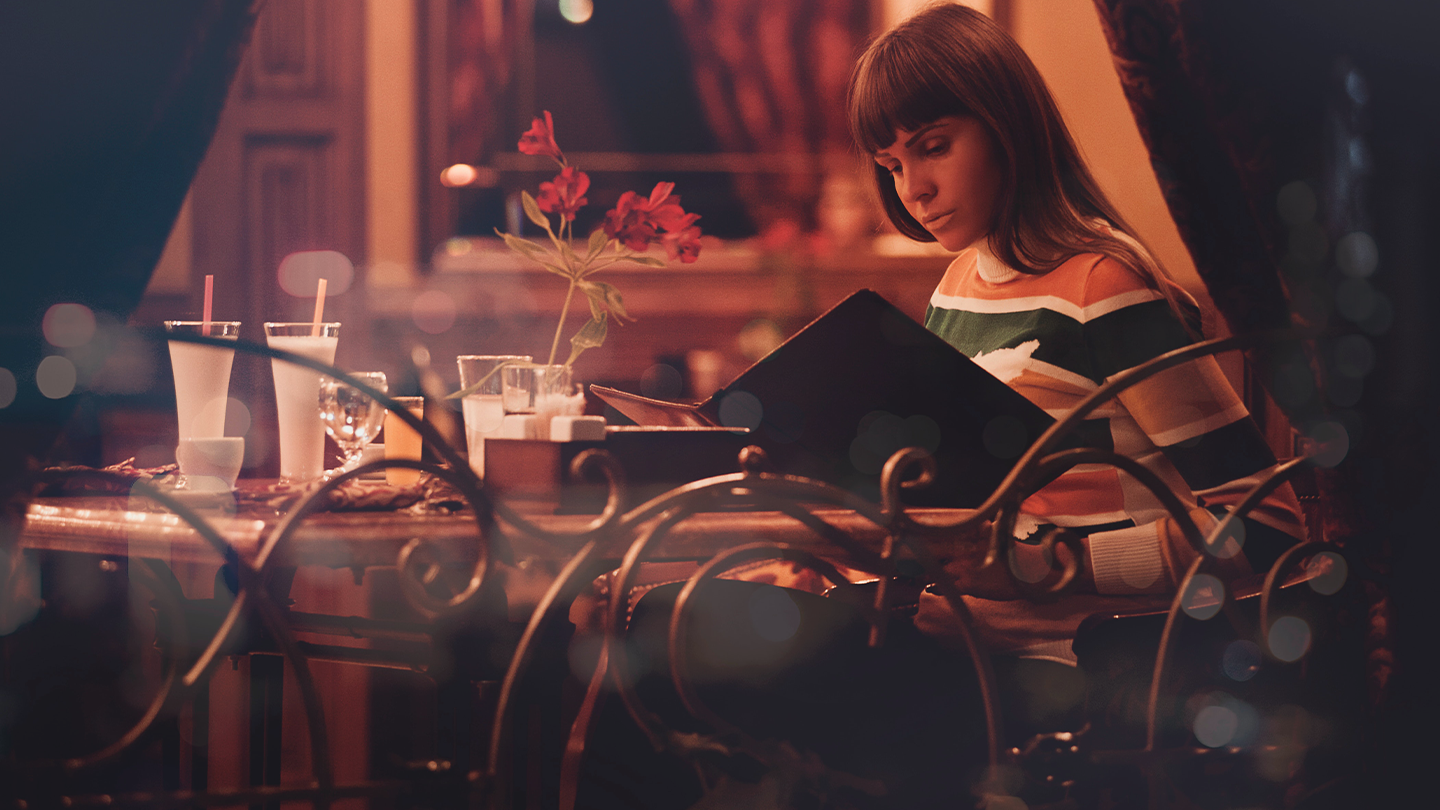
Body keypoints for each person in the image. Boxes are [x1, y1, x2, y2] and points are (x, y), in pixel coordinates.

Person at [848, 1, 1306, 667]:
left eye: (934, 147)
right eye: (891, 164)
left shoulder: (1102, 286)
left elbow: (1265, 524)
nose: (913, 189)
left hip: (1085, 669)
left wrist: (1045, 569)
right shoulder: (955, 288)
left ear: (1007, 128)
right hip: (971, 650)